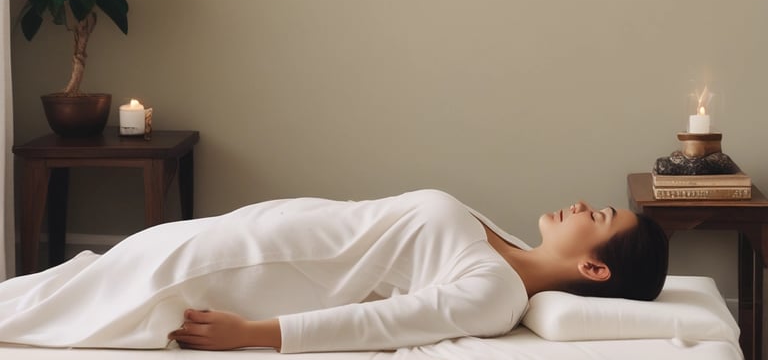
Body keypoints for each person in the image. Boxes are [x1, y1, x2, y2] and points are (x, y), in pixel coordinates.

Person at [0, 189, 668, 353]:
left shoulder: (495, 293)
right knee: (58, 287)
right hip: (245, 231)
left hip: (246, 268)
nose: (584, 203)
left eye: (602, 215)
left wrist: (253, 334)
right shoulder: (510, 244)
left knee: (54, 306)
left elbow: (377, 322)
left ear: (593, 266)